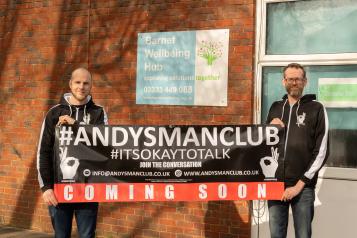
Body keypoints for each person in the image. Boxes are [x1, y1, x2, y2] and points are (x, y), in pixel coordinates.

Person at [37, 68, 108, 238]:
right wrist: (46, 187)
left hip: (88, 189)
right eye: (77, 82)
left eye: (86, 83)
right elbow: (43, 151)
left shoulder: (98, 112)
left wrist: (76, 125)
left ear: (91, 86)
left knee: (86, 236)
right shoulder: (54, 113)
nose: (81, 87)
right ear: (70, 84)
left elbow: (103, 145)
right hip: (59, 190)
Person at [266, 63, 329, 238]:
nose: (294, 83)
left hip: (303, 188)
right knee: (276, 235)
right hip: (276, 185)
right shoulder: (275, 107)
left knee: (303, 235)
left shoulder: (316, 108)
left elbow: (322, 151)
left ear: (305, 81)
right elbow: (263, 145)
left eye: (298, 79)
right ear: (283, 81)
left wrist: (299, 185)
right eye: (290, 79)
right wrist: (268, 129)